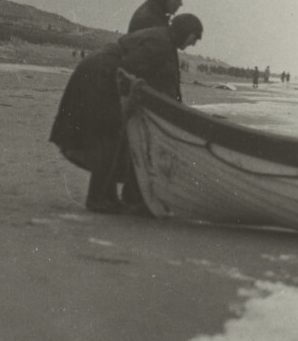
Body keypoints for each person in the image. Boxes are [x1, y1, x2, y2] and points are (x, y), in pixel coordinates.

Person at [50, 13, 204, 213]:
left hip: (101, 70)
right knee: (110, 134)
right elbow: (129, 66)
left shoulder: (164, 39)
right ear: (186, 32)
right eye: (194, 38)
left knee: (114, 136)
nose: (192, 44)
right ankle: (96, 199)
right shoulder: (162, 43)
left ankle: (108, 197)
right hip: (101, 74)